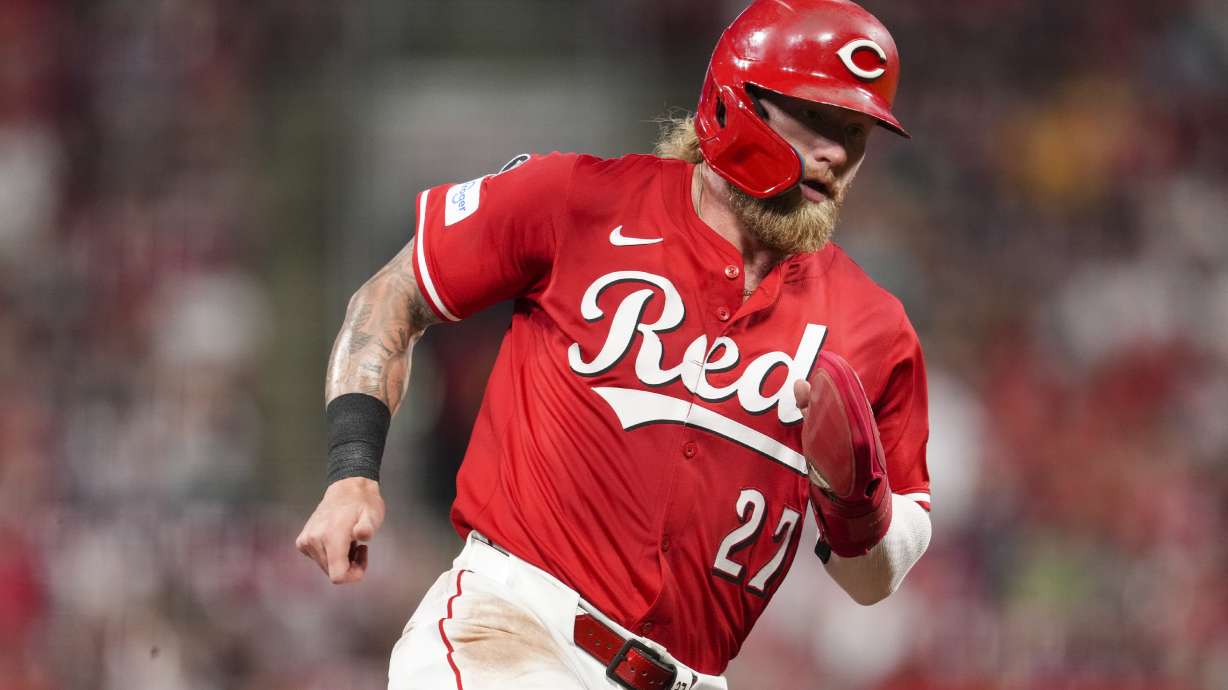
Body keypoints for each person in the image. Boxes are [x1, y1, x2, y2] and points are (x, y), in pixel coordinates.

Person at [295, 1, 932, 688]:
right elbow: (392, 296)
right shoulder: (576, 201)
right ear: (733, 101)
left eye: (856, 132)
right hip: (512, 635)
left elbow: (877, 579)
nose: (836, 152)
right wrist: (351, 472)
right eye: (815, 118)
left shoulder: (875, 326)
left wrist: (858, 506)